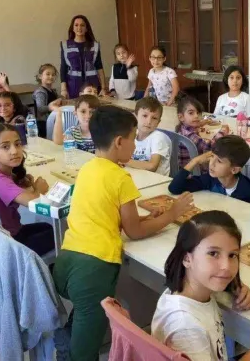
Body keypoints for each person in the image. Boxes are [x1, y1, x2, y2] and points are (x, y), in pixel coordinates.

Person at [52, 105, 193, 360]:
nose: (135, 144)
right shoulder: (120, 177)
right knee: (84, 352)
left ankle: (67, 340)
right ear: (119, 142)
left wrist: (148, 218)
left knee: (82, 323)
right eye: (133, 138)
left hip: (66, 260)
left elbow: (108, 213)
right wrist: (173, 213)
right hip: (94, 270)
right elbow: (134, 231)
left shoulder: (87, 169)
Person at [152, 211, 250, 361]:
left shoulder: (187, 289)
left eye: (232, 255)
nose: (226, 266)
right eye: (213, 253)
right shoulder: (187, 328)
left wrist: (235, 286)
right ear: (187, 259)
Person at [0, 124, 54, 256]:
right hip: (7, 244)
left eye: (18, 144)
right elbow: (34, 203)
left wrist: (18, 182)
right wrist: (39, 189)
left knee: (47, 227)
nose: (14, 151)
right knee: (60, 234)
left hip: (4, 234)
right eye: (5, 147)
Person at [168, 135, 250, 203]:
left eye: (219, 161)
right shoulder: (210, 179)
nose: (212, 163)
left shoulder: (246, 191)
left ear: (234, 170)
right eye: (212, 156)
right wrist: (194, 161)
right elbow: (174, 188)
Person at [176, 96, 230, 169]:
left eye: (198, 113)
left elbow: (195, 126)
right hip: (194, 170)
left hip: (185, 166)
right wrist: (222, 133)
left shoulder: (182, 128)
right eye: (191, 113)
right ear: (181, 117)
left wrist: (201, 123)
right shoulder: (189, 135)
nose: (196, 116)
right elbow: (210, 147)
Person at [60, 15, 106, 99]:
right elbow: (63, 68)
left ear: (86, 28)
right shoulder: (65, 45)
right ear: (72, 28)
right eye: (76, 25)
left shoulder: (94, 45)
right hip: (73, 86)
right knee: (75, 106)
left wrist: (103, 88)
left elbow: (99, 67)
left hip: (92, 86)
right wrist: (63, 89)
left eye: (82, 25)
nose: (79, 28)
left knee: (92, 105)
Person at [125, 97, 172, 176]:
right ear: (135, 116)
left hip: (156, 181)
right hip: (137, 176)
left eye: (154, 118)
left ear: (158, 122)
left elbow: (152, 166)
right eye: (144, 116)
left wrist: (124, 161)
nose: (149, 121)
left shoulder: (158, 138)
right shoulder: (132, 134)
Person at [32, 63, 60, 138]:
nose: (51, 76)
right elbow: (40, 108)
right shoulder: (40, 92)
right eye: (48, 74)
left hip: (53, 120)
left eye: (53, 75)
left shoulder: (53, 91)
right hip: (44, 123)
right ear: (40, 76)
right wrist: (50, 107)